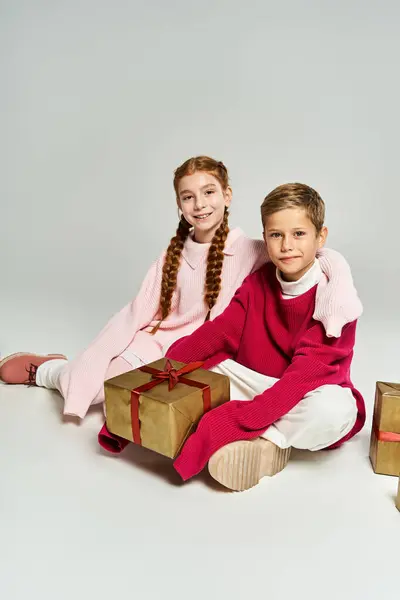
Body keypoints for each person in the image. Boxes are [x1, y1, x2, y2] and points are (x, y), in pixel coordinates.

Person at [0, 158, 362, 422]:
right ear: (179, 205)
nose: (200, 204)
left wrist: (337, 294)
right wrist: (96, 356)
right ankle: (50, 370)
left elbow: (313, 255)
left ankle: (60, 370)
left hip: (205, 355)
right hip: (158, 343)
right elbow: (134, 314)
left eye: (208, 192)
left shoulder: (256, 248)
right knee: (97, 386)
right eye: (188, 197)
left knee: (118, 402)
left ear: (228, 196)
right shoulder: (171, 255)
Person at [161, 182, 366, 491]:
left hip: (306, 392)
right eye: (276, 235)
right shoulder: (258, 283)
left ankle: (267, 444)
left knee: (336, 410)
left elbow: (298, 381)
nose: (287, 246)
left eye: (299, 234)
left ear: (320, 237)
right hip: (255, 382)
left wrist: (229, 422)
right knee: (204, 370)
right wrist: (161, 370)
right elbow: (219, 332)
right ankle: (269, 436)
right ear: (265, 237)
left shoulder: (334, 302)